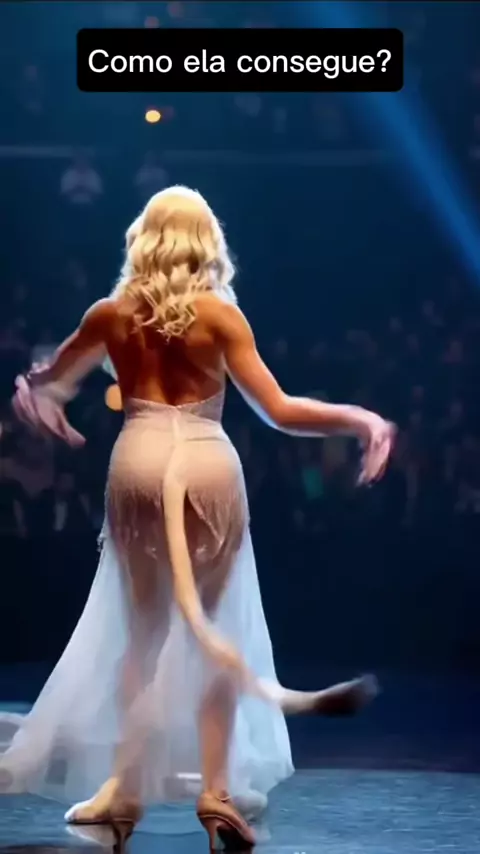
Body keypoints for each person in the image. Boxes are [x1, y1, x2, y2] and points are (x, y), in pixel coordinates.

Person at [6, 187, 394, 850]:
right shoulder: (219, 317)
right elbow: (279, 410)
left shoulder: (110, 315)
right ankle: (215, 793)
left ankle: (125, 790)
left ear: (145, 240)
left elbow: (46, 383)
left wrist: (39, 398)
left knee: (144, 637)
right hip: (208, 464)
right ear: (204, 243)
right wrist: (360, 419)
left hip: (138, 458)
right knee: (213, 624)